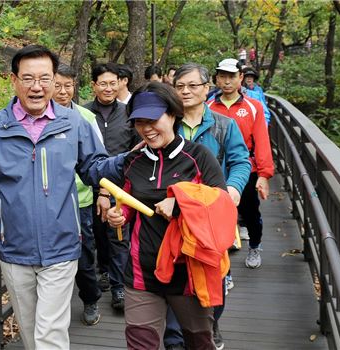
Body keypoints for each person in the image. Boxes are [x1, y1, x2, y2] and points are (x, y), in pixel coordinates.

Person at [0, 45, 125, 350]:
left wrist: (130, 162)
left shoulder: (74, 123)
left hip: (63, 245)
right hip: (14, 248)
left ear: (55, 81)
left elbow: (95, 168)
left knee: (49, 335)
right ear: (13, 80)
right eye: (28, 78)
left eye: (44, 78)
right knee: (30, 332)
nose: (37, 87)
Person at [107, 82, 236, 350]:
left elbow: (222, 204)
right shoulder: (133, 161)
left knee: (198, 341)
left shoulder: (198, 156)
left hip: (189, 270)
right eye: (139, 122)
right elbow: (129, 200)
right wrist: (120, 214)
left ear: (173, 115)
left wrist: (180, 201)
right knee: (140, 344)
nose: (147, 128)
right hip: (142, 271)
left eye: (153, 119)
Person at [164, 63, 251, 350]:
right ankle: (177, 337)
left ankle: (210, 323)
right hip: (173, 217)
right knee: (176, 276)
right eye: (180, 86)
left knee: (215, 273)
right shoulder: (165, 123)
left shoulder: (224, 125)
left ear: (205, 89)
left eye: (193, 86)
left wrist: (233, 188)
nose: (186, 91)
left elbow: (240, 161)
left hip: (211, 215)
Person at [207, 58, 275, 270]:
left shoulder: (253, 107)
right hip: (215, 167)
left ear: (241, 79)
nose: (227, 81)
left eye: (231, 76)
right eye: (222, 76)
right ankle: (220, 260)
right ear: (216, 79)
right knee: (216, 213)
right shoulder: (208, 106)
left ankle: (254, 245)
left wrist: (264, 175)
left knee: (250, 210)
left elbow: (262, 141)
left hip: (245, 167)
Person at [84, 62, 140, 311]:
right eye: (103, 83)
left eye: (113, 83)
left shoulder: (129, 113)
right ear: (94, 85)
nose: (108, 88)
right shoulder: (83, 114)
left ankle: (119, 287)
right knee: (97, 236)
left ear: (120, 83)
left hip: (121, 187)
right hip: (90, 185)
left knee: (119, 237)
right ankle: (104, 271)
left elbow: (136, 151)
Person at [52, 63, 104, 326]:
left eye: (68, 85)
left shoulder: (86, 117)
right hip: (48, 202)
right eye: (57, 85)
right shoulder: (36, 117)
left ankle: (90, 299)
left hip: (80, 200)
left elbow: (99, 159)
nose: (63, 92)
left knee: (84, 254)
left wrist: (103, 192)